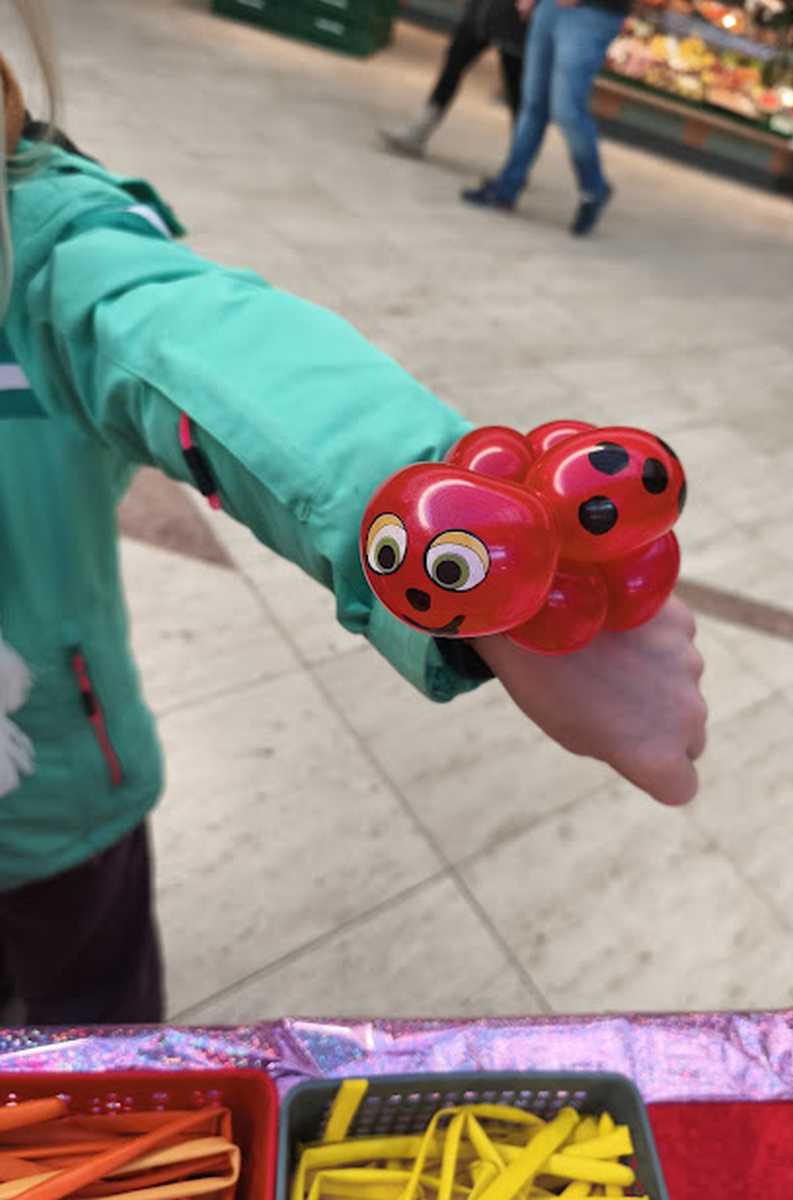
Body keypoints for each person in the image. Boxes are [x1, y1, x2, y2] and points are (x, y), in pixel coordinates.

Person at [0, 1, 706, 1025]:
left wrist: (470, 537)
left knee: (99, 1029)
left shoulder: (46, 240)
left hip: (56, 783)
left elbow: (199, 341)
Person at [462, 0, 627, 236]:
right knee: (533, 103)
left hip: (593, 13)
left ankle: (593, 188)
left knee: (567, 110)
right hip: (550, 8)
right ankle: (507, 188)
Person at [381, 0, 527, 159]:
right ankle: (419, 130)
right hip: (480, 13)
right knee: (453, 64)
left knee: (515, 87)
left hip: (515, 19)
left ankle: (520, 154)